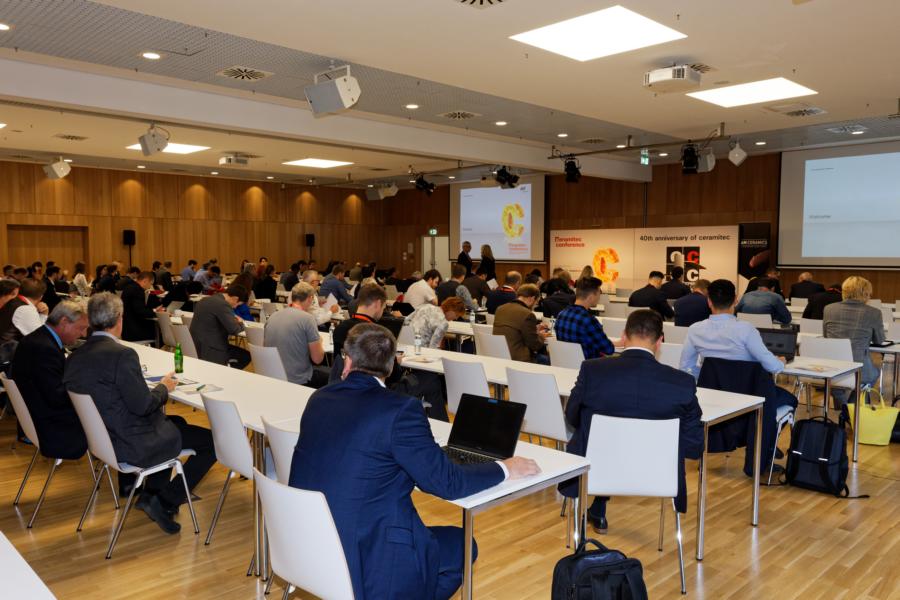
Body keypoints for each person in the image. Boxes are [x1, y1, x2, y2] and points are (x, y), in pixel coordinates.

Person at [289, 323, 539, 600]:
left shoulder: (319, 398)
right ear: (391, 366)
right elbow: (447, 484)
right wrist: (505, 468)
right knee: (463, 544)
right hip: (368, 554)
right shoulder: (400, 410)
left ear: (347, 361)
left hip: (311, 542)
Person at [64, 293, 217, 534]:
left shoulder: (75, 356)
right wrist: (163, 387)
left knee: (176, 421)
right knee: (213, 441)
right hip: (132, 443)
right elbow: (143, 406)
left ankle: (150, 493)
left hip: (102, 440)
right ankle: (165, 501)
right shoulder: (122, 355)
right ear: (119, 318)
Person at [561, 309, 703, 532]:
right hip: (658, 475)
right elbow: (694, 445)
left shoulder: (592, 370)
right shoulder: (682, 383)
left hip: (596, 468)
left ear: (624, 336)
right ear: (660, 341)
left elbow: (572, 415)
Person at [680, 279, 797, 475]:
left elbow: (686, 368)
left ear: (709, 301)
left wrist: (709, 379)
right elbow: (773, 367)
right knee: (789, 399)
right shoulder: (746, 329)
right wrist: (782, 360)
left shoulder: (695, 330)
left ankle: (761, 444)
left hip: (714, 398)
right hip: (751, 400)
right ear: (735, 300)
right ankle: (763, 449)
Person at [11, 301, 89, 460]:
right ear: (64, 322)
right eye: (81, 328)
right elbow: (58, 397)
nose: (83, 334)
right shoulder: (45, 349)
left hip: (36, 416)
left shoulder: (38, 339)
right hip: (52, 427)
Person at [823, 276, 885, 406]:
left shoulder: (828, 309)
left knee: (839, 383)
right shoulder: (874, 312)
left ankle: (843, 405)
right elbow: (879, 340)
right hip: (860, 368)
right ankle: (852, 408)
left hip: (832, 367)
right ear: (866, 293)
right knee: (874, 372)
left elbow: (826, 336)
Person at [264, 282, 327, 388]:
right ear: (310, 299)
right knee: (334, 375)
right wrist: (319, 341)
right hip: (298, 378)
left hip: (272, 375)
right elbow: (318, 359)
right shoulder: (307, 319)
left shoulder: (273, 316)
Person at [189, 284, 250, 369]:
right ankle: (225, 371)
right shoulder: (223, 305)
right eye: (238, 304)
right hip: (212, 349)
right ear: (235, 298)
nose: (235, 307)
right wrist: (241, 322)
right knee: (246, 356)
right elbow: (234, 330)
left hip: (195, 345)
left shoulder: (205, 300)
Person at [554, 277, 615, 359]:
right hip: (588, 365)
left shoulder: (561, 315)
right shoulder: (589, 320)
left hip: (565, 364)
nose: (599, 298)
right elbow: (609, 349)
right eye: (599, 294)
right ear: (591, 297)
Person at [493, 284, 549, 364]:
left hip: (499, 355)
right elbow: (534, 345)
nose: (534, 306)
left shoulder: (500, 309)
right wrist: (541, 336)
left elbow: (514, 330)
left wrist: (533, 329)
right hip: (519, 359)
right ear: (532, 298)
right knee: (549, 360)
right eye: (536, 302)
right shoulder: (528, 314)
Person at [121, 271, 160, 342]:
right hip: (135, 332)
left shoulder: (128, 287)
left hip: (126, 329)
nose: (150, 287)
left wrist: (153, 310)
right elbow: (141, 312)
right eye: (150, 284)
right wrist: (156, 312)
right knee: (158, 331)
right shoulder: (137, 290)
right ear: (145, 281)